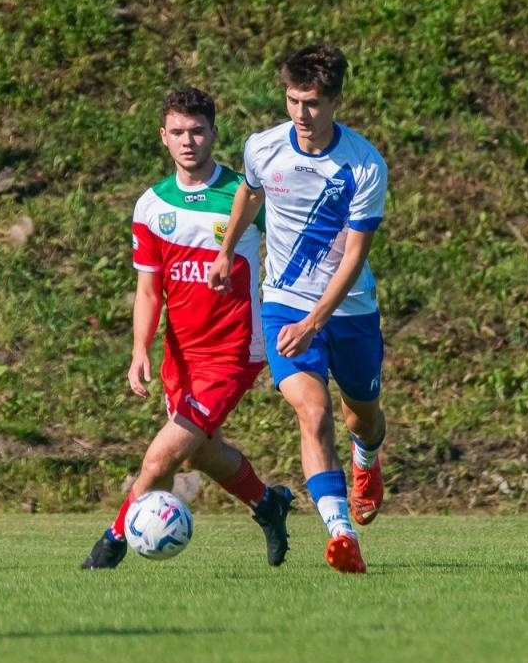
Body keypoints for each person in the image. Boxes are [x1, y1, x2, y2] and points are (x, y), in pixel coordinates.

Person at [82, 87, 294, 569]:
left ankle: (111, 543)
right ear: (163, 137)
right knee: (200, 453)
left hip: (234, 351)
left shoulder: (246, 194)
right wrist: (140, 349)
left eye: (197, 130)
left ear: (214, 134)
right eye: (178, 132)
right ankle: (268, 503)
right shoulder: (151, 206)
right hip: (181, 356)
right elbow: (150, 289)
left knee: (161, 459)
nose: (188, 140)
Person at [208, 45, 389, 575]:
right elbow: (250, 192)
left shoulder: (363, 165)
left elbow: (355, 257)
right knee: (313, 412)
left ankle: (367, 460)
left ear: (335, 101)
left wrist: (316, 323)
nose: (301, 115)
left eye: (312, 103)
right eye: (292, 101)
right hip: (284, 303)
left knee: (364, 417)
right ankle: (341, 533)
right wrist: (226, 250)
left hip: (349, 311)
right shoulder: (264, 148)